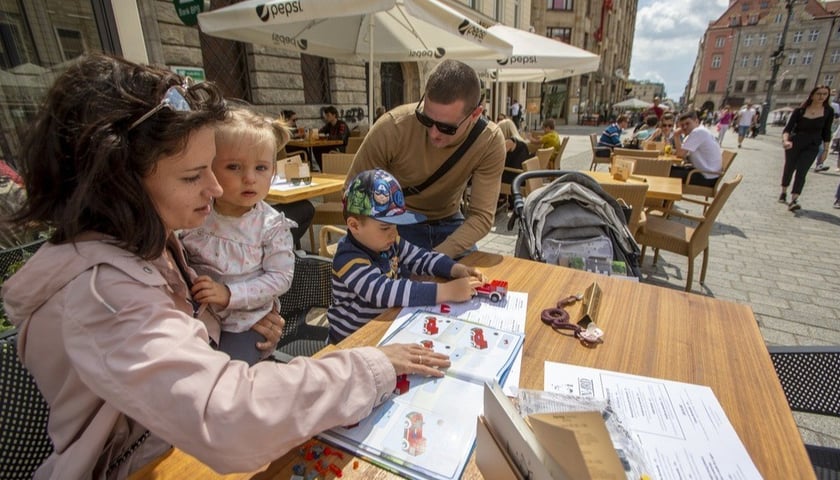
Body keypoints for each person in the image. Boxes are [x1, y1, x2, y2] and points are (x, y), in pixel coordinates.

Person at [2, 53, 449, 479]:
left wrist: (228, 317)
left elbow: (182, 340)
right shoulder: (101, 296)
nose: (216, 188)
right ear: (118, 183)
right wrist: (371, 367)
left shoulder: (146, 243)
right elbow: (226, 414)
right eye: (194, 175)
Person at [347, 59, 506, 259]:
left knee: (472, 284)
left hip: (451, 223)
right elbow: (353, 194)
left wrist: (432, 260)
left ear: (475, 114)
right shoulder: (393, 127)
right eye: (426, 120)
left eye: (447, 127)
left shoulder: (488, 141)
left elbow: (481, 217)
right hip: (398, 222)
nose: (433, 134)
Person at [180, 107, 296, 365]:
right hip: (198, 317)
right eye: (234, 167)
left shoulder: (271, 225)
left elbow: (281, 277)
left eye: (261, 168)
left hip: (245, 322)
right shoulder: (193, 214)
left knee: (226, 376)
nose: (249, 178)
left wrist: (229, 294)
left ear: (273, 172)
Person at [327, 169, 484, 343]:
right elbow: (385, 291)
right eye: (385, 228)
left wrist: (455, 268)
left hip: (384, 329)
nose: (393, 234)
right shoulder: (347, 258)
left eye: (396, 226)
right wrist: (447, 291)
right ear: (354, 226)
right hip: (350, 344)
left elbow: (421, 257)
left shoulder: (390, 243)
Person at [779, 85, 834, 211]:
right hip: (795, 142)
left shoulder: (828, 111)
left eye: (825, 94)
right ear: (812, 95)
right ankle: (784, 191)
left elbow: (827, 132)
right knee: (789, 167)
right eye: (819, 93)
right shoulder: (800, 110)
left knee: (802, 171)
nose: (822, 96)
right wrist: (786, 140)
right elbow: (787, 129)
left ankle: (794, 199)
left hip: (812, 145)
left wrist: (825, 150)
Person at [671, 110, 722, 187]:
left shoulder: (698, 132)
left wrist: (676, 135)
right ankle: (666, 198)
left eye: (687, 123)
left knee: (666, 172)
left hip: (706, 177)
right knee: (669, 169)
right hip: (709, 174)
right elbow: (683, 153)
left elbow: (680, 154)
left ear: (696, 121)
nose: (684, 127)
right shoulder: (700, 131)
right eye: (682, 125)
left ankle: (664, 198)